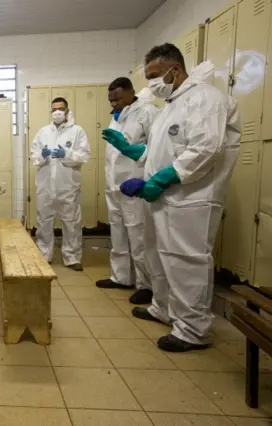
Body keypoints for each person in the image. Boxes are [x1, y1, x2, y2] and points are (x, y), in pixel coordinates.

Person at [103, 43, 240, 352]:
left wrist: (164, 177)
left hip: (193, 197)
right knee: (157, 253)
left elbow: (206, 148)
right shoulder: (172, 106)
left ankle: (193, 329)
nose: (151, 84)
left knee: (185, 260)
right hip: (165, 197)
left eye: (153, 76)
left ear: (174, 70)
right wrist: (133, 153)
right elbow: (158, 150)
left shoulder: (205, 98)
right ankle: (163, 308)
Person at [96, 77, 158, 305]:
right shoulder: (118, 118)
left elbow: (158, 149)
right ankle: (121, 276)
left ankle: (146, 285)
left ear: (131, 92)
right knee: (118, 234)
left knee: (138, 235)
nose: (114, 104)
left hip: (134, 186)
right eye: (111, 100)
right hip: (114, 186)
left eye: (118, 99)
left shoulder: (148, 112)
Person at [30, 97, 90, 271]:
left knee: (71, 222)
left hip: (68, 186)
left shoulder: (77, 131)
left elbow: (84, 156)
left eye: (61, 109)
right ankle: (44, 254)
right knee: (44, 221)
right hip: (45, 185)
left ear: (67, 110)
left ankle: (72, 257)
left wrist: (67, 154)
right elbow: (34, 157)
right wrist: (42, 155)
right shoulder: (43, 132)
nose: (57, 112)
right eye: (54, 109)